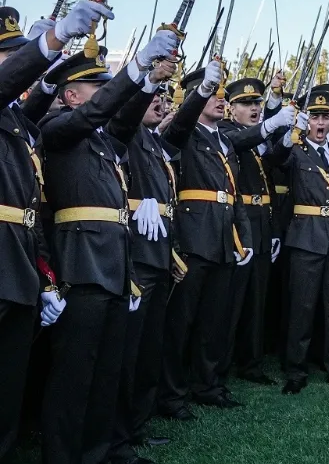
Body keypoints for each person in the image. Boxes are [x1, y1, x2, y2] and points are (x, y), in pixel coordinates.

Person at [39, 12, 177, 464]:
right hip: (81, 266)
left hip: (115, 266)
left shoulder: (101, 141)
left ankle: (103, 451)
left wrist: (148, 80)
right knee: (74, 376)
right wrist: (134, 67)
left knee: (106, 371)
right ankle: (63, 455)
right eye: (97, 88)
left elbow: (122, 115)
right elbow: (101, 112)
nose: (104, 96)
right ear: (71, 94)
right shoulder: (57, 128)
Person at [159, 61, 289, 417]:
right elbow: (178, 127)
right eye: (211, 92)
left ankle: (208, 385)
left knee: (213, 321)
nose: (219, 97)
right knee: (181, 323)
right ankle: (171, 395)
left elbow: (234, 195)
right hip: (193, 239)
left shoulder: (223, 141)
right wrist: (196, 95)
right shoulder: (184, 133)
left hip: (224, 238)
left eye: (219, 92)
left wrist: (244, 239)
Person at [106, 59, 189, 464]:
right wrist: (145, 81)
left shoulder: (154, 142)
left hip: (157, 253)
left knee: (148, 347)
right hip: (134, 254)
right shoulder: (124, 133)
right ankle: (118, 432)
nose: (161, 101)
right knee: (127, 350)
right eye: (154, 96)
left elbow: (183, 126)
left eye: (164, 97)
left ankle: (137, 424)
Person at [0, 6, 70, 461]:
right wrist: (51, 43)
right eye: (7, 55)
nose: (14, 62)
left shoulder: (21, 128)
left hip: (19, 269)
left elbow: (31, 209)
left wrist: (44, 278)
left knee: (7, 391)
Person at [275, 86, 329, 394]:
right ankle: (296, 370)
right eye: (314, 117)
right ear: (306, 120)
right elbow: (276, 158)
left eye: (325, 117)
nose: (320, 123)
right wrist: (289, 135)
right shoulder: (296, 149)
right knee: (302, 306)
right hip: (305, 237)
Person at [217, 78, 293, 388]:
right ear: (231, 108)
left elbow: (270, 177)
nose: (254, 109)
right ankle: (221, 365)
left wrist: (284, 140)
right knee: (231, 302)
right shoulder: (225, 132)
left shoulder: (258, 140)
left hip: (262, 223)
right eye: (247, 104)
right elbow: (240, 142)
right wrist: (271, 123)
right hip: (239, 224)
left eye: (257, 104)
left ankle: (252, 362)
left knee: (256, 301)